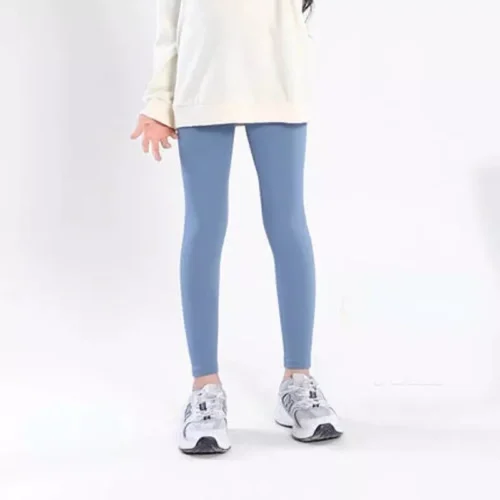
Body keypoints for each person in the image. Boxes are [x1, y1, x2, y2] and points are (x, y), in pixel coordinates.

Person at [131, 0, 343, 455]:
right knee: (204, 230)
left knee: (288, 227)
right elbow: (169, 23)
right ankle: (205, 388)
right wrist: (158, 101)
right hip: (202, 85)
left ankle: (298, 380)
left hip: (279, 86)